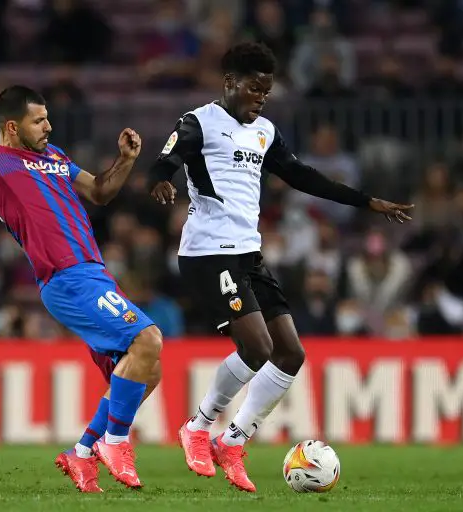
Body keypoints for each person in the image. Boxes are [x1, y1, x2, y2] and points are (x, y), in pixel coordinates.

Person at [148, 42, 413, 492]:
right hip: (208, 252)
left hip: (248, 253)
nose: (261, 98)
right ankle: (198, 427)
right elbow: (166, 160)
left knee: (290, 353)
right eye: (254, 89)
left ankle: (233, 442)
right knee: (256, 346)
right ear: (230, 83)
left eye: (266, 92)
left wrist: (367, 202)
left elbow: (303, 176)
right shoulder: (198, 122)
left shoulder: (264, 131)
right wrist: (160, 181)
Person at [0, 28, 163, 492]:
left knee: (142, 373)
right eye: (39, 121)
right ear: (13, 127)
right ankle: (114, 443)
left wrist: (126, 160)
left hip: (96, 274)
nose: (48, 127)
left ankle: (83, 453)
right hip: (67, 279)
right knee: (148, 340)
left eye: (47, 119)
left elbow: (100, 192)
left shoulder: (54, 156)